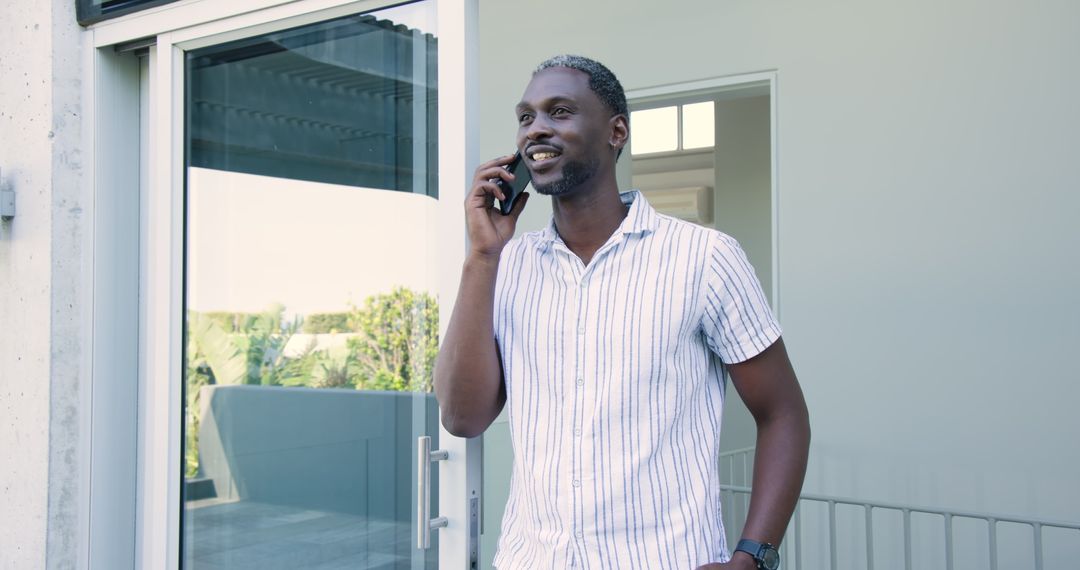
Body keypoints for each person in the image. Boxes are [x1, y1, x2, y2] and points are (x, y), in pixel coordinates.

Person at [434, 54, 810, 570]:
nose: (535, 129)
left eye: (559, 111)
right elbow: (462, 418)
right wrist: (481, 255)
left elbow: (783, 413)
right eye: (525, 117)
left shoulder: (704, 257)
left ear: (616, 132)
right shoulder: (505, 264)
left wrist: (753, 556)